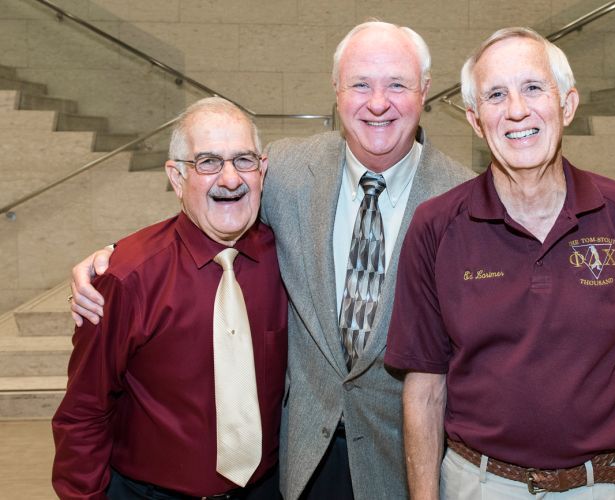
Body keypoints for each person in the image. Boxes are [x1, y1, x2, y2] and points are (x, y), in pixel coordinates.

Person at [68, 22, 474, 499]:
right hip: (298, 462)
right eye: (361, 84)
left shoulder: (463, 199)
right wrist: (110, 260)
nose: (378, 102)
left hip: (401, 461)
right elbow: (209, 204)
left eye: (398, 85)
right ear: (336, 91)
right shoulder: (286, 171)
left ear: (425, 91)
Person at [384, 27, 615, 499]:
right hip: (478, 484)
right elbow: (425, 386)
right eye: (496, 95)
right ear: (476, 120)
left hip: (607, 484)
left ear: (568, 105)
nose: (517, 110)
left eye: (533, 87)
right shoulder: (435, 226)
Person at [53, 97, 288, 499]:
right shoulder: (127, 278)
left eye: (244, 160)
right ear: (177, 178)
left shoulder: (289, 259)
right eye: (208, 162)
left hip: (266, 489)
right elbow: (84, 412)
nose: (230, 179)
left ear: (262, 171)